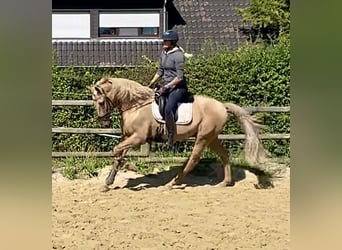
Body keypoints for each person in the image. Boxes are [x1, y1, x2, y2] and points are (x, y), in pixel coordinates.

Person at [149, 30, 189, 147]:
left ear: (173, 42)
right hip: (166, 86)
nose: (164, 42)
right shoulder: (164, 53)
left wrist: (166, 87)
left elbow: (179, 77)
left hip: (178, 88)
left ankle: (171, 137)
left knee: (168, 109)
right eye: (164, 40)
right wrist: (151, 83)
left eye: (166, 41)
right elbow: (160, 71)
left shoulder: (178, 55)